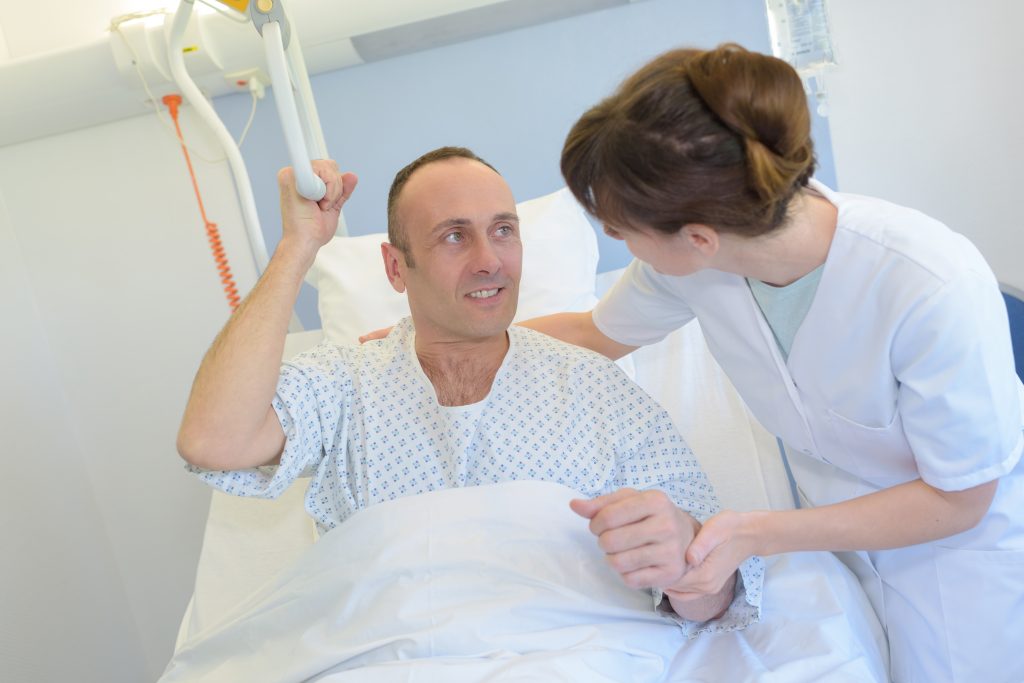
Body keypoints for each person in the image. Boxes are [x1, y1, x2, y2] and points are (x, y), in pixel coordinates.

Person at [516, 44, 1024, 682]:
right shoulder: (697, 268)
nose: (618, 243)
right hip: (839, 553)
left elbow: (962, 499)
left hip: (964, 562)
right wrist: (434, 340)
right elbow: (593, 333)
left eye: (623, 229)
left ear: (698, 238)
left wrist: (756, 533)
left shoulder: (926, 282)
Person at [176, 146, 764, 637]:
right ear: (395, 267)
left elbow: (714, 592)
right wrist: (296, 247)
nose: (490, 261)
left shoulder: (594, 387)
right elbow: (213, 441)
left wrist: (687, 561)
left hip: (574, 656)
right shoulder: (343, 383)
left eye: (502, 231)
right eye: (454, 237)